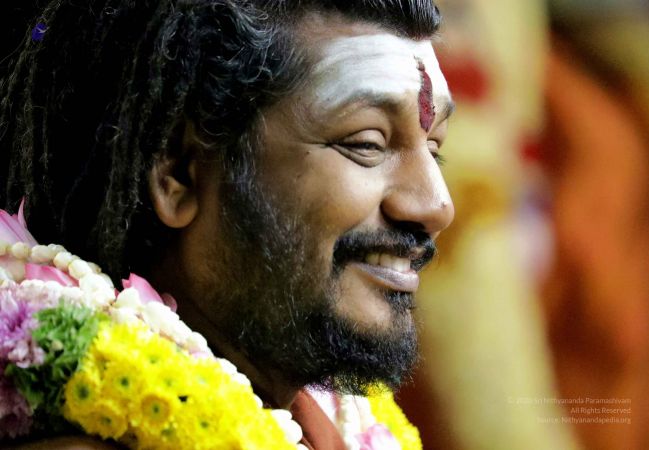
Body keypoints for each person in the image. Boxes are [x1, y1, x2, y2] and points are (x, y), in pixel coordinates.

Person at [0, 0, 454, 448]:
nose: (437, 206)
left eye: (434, 150)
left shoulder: (326, 422)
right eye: (367, 143)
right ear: (178, 173)